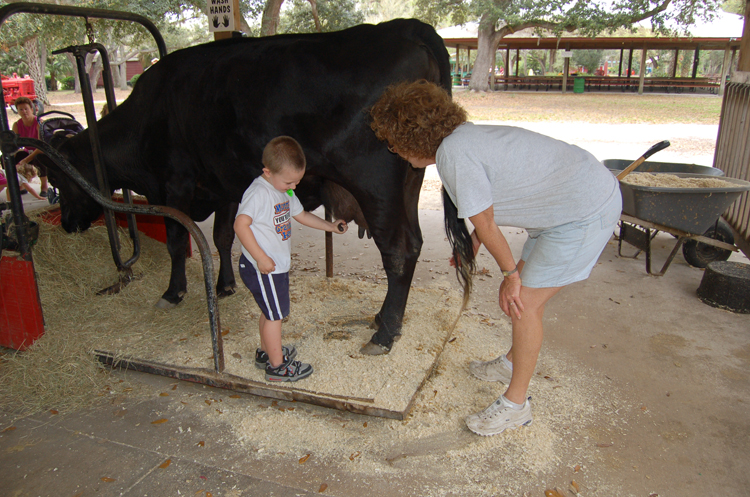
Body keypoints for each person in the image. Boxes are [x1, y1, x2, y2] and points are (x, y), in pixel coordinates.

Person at [369, 80, 621, 436]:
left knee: (523, 304)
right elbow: (494, 197)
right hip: (569, 201)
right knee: (521, 300)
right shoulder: (463, 138)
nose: (396, 152)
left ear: (413, 138)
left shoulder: (452, 156)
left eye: (396, 144)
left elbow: (485, 220)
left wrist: (510, 274)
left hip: (581, 214)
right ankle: (510, 364)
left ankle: (515, 406)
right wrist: (475, 242)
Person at [234, 136, 348, 382]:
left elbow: (302, 215)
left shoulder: (282, 189)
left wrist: (330, 226)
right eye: (289, 181)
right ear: (267, 171)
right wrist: (261, 258)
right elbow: (240, 225)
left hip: (273, 266)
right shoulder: (259, 193)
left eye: (297, 181)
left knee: (270, 310)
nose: (294, 186)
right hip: (263, 267)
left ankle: (266, 353)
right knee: (276, 315)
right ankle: (277, 367)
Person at [12, 97, 48, 196]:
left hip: (40, 151)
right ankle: (22, 184)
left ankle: (44, 186)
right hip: (28, 151)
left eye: (26, 108)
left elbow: (42, 146)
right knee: (11, 158)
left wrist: (26, 160)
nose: (24, 111)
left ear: (32, 109)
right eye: (21, 109)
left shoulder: (39, 123)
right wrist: (15, 154)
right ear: (17, 111)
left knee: (39, 158)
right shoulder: (17, 125)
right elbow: (15, 144)